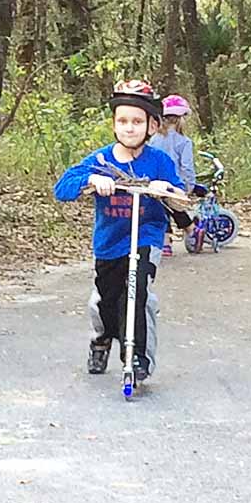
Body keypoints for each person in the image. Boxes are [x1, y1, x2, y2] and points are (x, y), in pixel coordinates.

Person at [53, 79, 184, 381]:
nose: (129, 128)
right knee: (107, 301)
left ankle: (137, 358)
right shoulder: (100, 160)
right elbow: (62, 188)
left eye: (137, 121)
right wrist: (91, 182)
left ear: (152, 126)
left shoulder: (160, 161)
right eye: (122, 121)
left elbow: (181, 202)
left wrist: (165, 192)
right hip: (110, 242)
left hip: (145, 238)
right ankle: (102, 338)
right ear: (114, 124)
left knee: (136, 293)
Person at [149, 94, 197, 256]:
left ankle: (166, 242)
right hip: (175, 183)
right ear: (180, 119)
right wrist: (189, 186)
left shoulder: (154, 139)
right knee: (177, 208)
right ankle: (192, 231)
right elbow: (187, 166)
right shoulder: (183, 142)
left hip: (154, 182)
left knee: (163, 210)